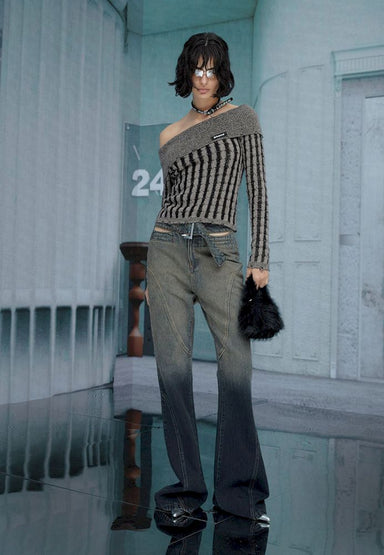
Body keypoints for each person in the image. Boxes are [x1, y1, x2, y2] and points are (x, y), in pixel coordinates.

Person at [146, 32, 270, 525]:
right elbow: (170, 200)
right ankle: (185, 491)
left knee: (236, 368)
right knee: (172, 371)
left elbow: (258, 191)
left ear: (222, 74)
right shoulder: (168, 136)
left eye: (211, 69)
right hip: (166, 248)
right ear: (187, 72)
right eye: (196, 68)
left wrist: (260, 259)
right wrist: (155, 271)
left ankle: (240, 494)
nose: (203, 77)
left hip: (220, 252)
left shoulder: (243, 119)